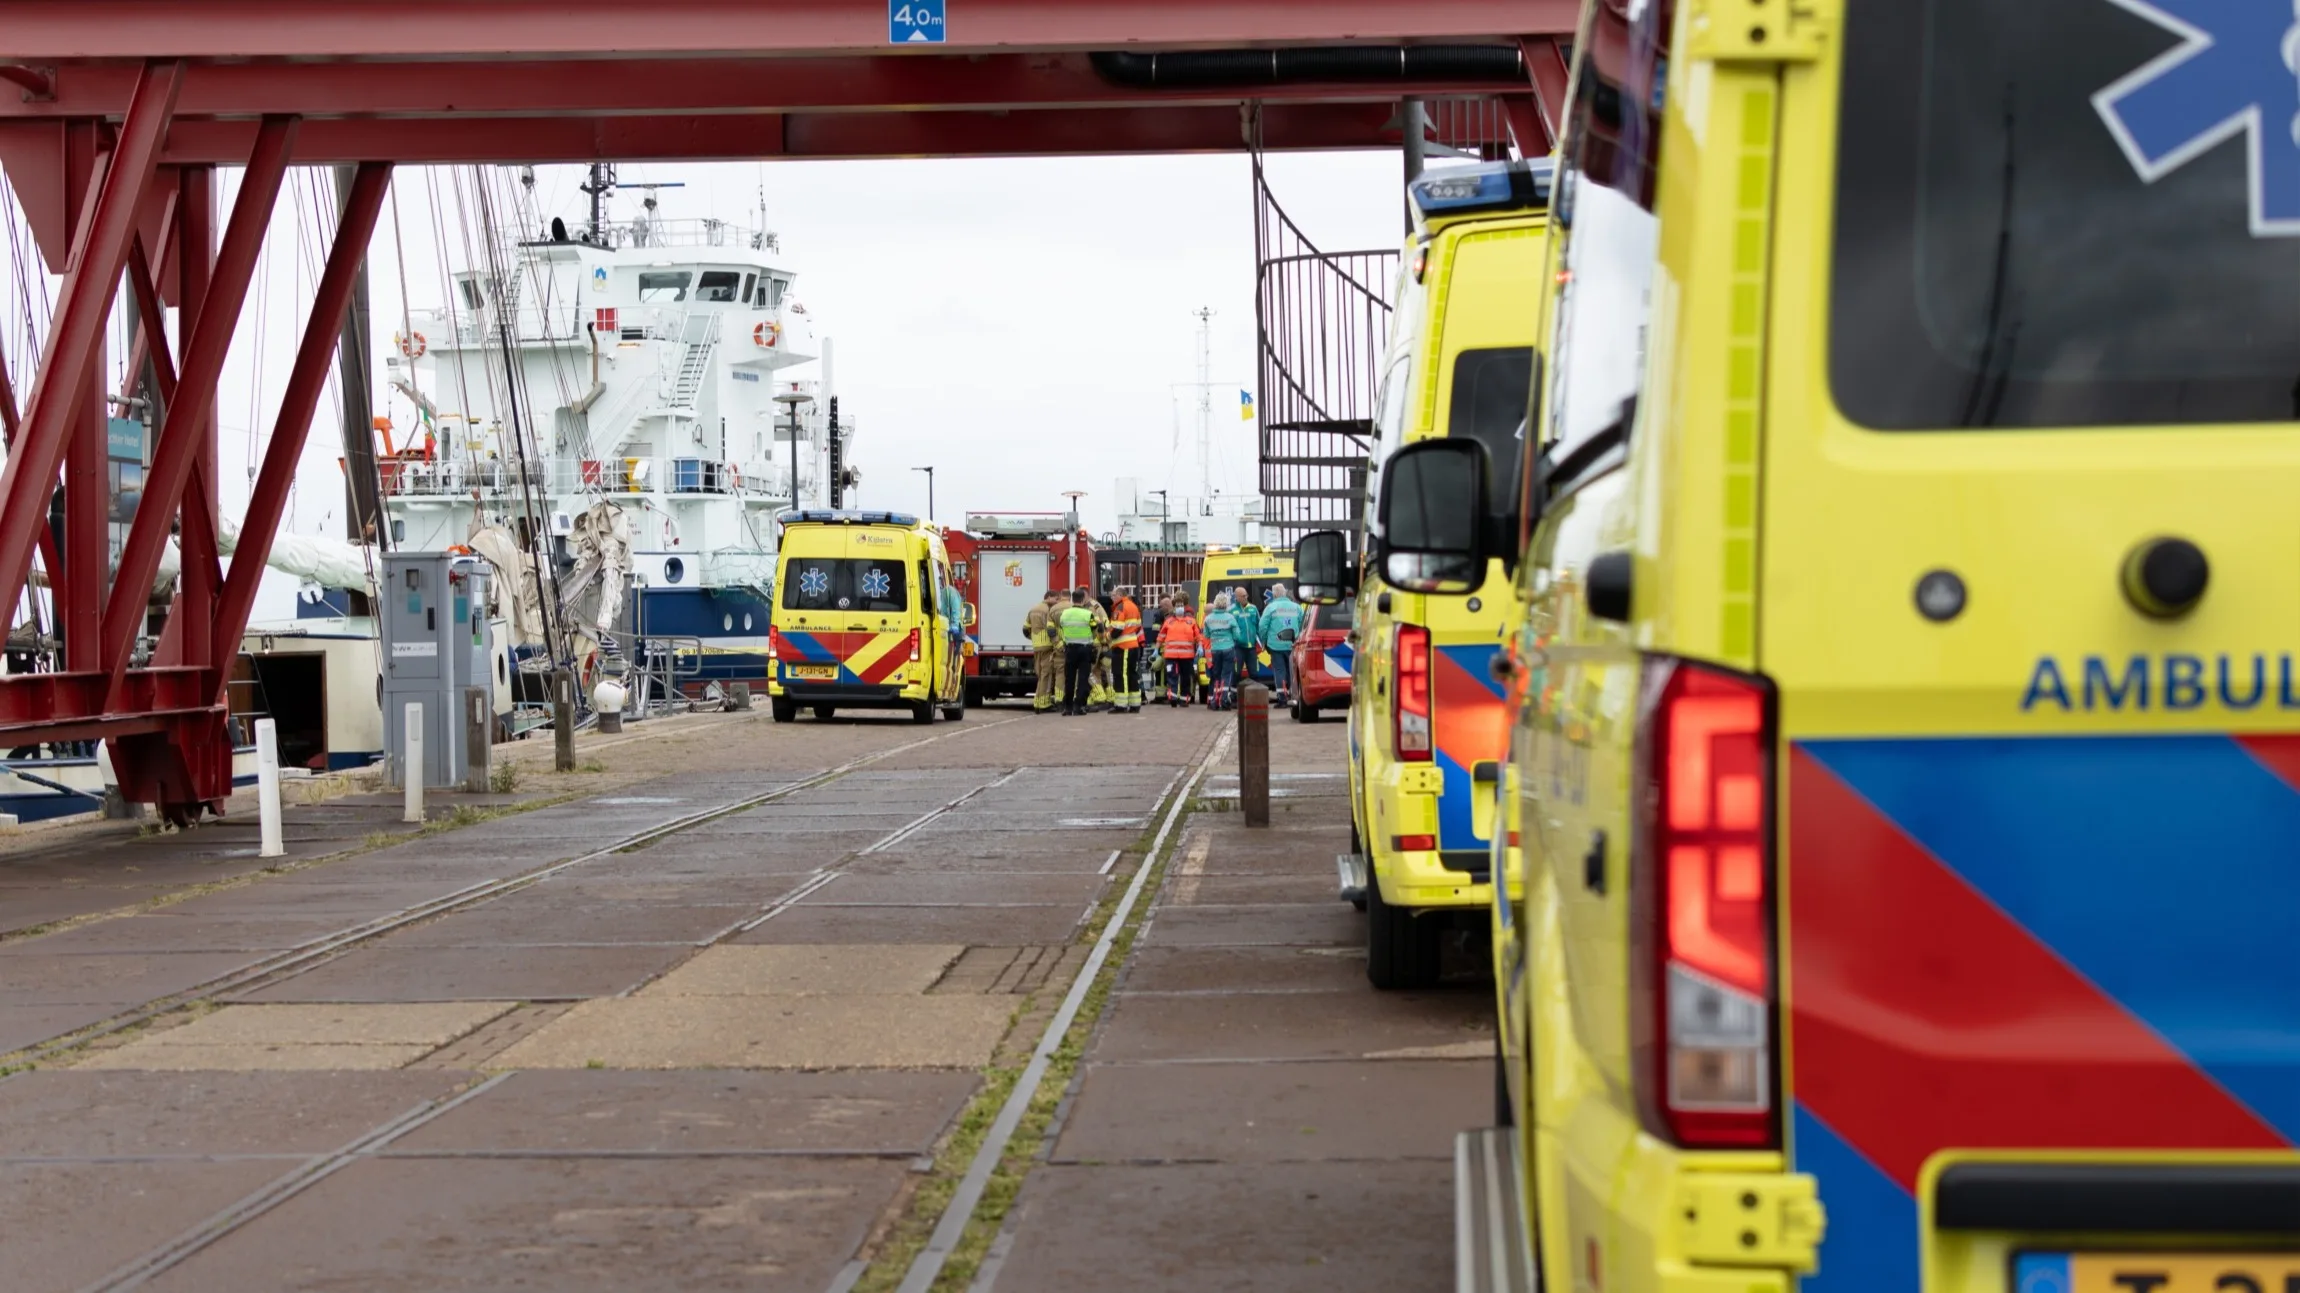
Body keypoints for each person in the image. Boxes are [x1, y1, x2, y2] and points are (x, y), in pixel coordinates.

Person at [1057, 589, 1100, 717]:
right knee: (1083, 679)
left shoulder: (1064, 614)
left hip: (1070, 649)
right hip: (1085, 649)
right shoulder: (1088, 614)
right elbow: (1094, 627)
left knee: (1069, 679)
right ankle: (1079, 707)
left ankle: (1068, 708)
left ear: (1072, 599)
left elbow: (1061, 626)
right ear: (1082, 600)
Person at [1260, 583, 1304, 705]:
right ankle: (1292, 695)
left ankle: (1282, 698)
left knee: (1279, 670)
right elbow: (1302, 624)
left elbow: (1262, 626)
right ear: (1284, 593)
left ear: (1274, 595)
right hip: (1293, 644)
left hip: (1275, 645)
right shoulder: (1297, 607)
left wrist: (1264, 640)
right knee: (1292, 670)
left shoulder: (1270, 608)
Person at [1159, 598, 1203, 706]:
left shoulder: (1191, 621)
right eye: (1178, 606)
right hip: (1171, 655)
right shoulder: (1168, 621)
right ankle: (1173, 698)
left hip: (1187, 656)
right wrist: (1156, 649)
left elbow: (1198, 635)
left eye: (1181, 605)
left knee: (1185, 678)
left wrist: (1200, 646)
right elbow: (1161, 636)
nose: (1180, 608)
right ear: (1174, 608)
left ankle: (1184, 699)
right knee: (1172, 676)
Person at [1107, 585, 1144, 713]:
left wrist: (1107, 637)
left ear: (1119, 595)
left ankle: (1121, 705)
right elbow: (1138, 626)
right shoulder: (1133, 606)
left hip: (1122, 647)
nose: (1112, 598)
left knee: (1120, 675)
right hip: (1133, 645)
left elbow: (1117, 629)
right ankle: (1135, 704)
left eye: (1113, 595)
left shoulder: (1120, 607)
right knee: (1132, 674)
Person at [1026, 589, 1062, 715]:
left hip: (1037, 647)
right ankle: (1044, 704)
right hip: (1047, 646)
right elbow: (1051, 629)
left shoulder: (1033, 609)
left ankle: (1037, 702)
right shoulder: (1048, 610)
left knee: (1041, 675)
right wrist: (1057, 643)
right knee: (1047, 675)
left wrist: (1034, 638)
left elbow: (1025, 629)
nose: (1057, 602)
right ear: (1049, 597)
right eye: (1056, 599)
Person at [1203, 593, 1238, 706]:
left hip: (1215, 650)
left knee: (1216, 675)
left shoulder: (1208, 618)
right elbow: (1237, 635)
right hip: (1228, 649)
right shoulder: (1230, 617)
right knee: (1226, 675)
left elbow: (1206, 635)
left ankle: (1215, 700)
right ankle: (1224, 699)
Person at [1229, 585, 1260, 688]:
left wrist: (1262, 641)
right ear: (1237, 597)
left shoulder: (1253, 608)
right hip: (1238, 647)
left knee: (1254, 673)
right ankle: (1233, 695)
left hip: (1251, 647)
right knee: (1236, 673)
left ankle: (1255, 694)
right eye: (1243, 596)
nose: (1245, 597)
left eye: (1246, 595)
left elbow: (1259, 626)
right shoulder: (1231, 610)